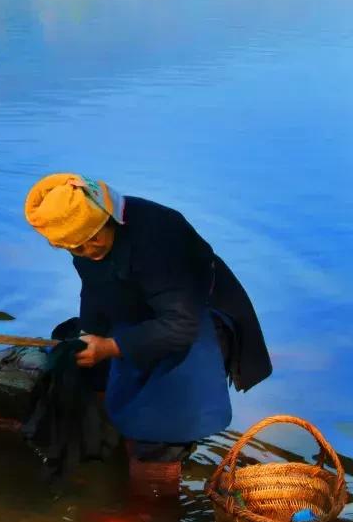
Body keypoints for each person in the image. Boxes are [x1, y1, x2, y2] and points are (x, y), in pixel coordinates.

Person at [24, 173, 272, 491]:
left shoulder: (160, 239)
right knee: (87, 364)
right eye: (76, 247)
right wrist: (90, 335)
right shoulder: (83, 247)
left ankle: (153, 506)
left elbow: (180, 326)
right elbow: (94, 290)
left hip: (195, 322)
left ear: (109, 215)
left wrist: (112, 346)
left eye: (94, 237)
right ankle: (117, 446)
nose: (89, 249)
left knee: (164, 419)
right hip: (138, 313)